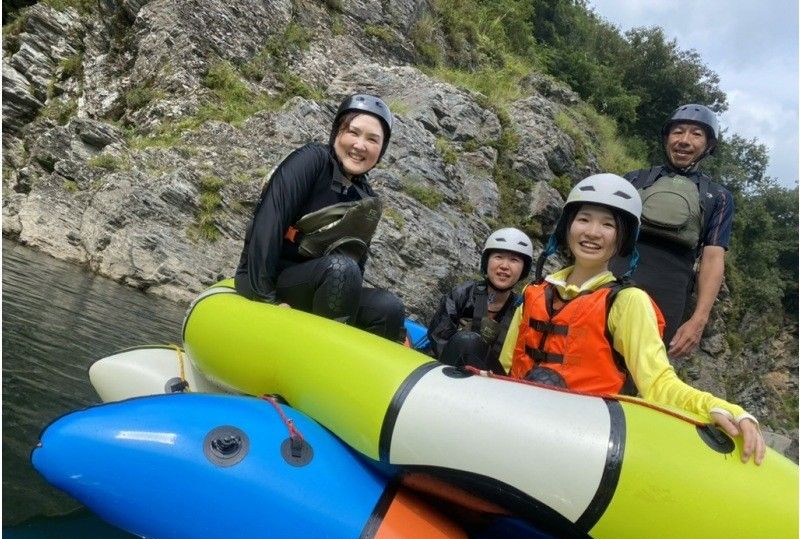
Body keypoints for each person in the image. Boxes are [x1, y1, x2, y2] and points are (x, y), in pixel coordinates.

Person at [499, 173, 764, 464]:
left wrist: (716, 406)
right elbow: (509, 366)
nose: (593, 232)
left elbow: (659, 384)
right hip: (518, 422)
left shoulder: (627, 302)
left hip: (579, 444)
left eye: (608, 224)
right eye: (584, 219)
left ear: (622, 238)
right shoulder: (534, 293)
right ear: (568, 226)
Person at [234, 93, 405, 341]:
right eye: (353, 132)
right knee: (341, 269)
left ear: (381, 149)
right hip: (265, 279)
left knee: (389, 307)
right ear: (337, 132)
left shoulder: (365, 198)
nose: (360, 145)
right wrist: (266, 299)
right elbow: (268, 223)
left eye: (372, 139)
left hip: (324, 286)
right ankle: (319, 353)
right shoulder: (312, 160)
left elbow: (356, 264)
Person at [611, 104, 732, 358]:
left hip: (670, 292)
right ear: (667, 138)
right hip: (614, 277)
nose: (685, 141)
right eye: (678, 132)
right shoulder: (634, 180)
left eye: (696, 134)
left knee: (641, 371)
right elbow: (602, 231)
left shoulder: (718, 197)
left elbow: (712, 258)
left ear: (709, 146)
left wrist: (698, 320)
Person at [426, 228, 533, 373]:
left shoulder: (523, 310)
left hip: (493, 383)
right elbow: (438, 338)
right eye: (498, 257)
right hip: (449, 370)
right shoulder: (462, 294)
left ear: (523, 269)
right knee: (467, 341)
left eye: (514, 260)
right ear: (486, 261)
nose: (505, 266)